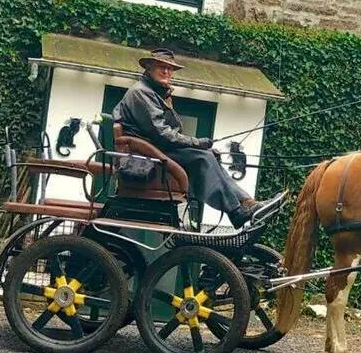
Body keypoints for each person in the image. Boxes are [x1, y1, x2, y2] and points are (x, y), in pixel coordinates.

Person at [112, 48, 267, 228]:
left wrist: (201, 145)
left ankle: (245, 202)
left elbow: (167, 133)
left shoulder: (156, 93)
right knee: (203, 156)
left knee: (209, 154)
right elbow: (162, 134)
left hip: (156, 151)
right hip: (147, 157)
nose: (166, 72)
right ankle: (235, 211)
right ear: (148, 67)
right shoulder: (141, 93)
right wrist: (197, 143)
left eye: (170, 69)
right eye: (161, 67)